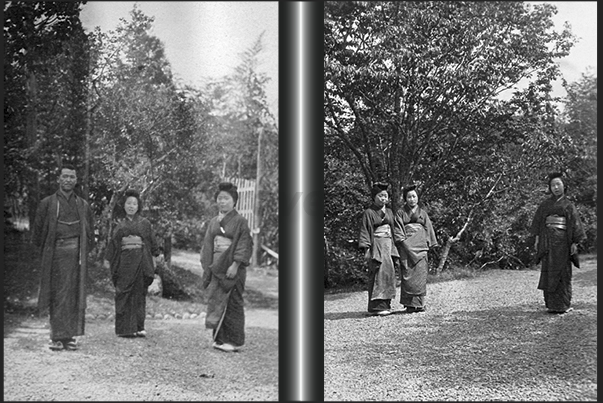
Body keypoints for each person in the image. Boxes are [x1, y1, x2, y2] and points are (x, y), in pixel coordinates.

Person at [31, 164, 96, 351]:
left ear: (76, 180)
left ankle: (70, 337)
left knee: (74, 295)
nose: (68, 180)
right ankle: (56, 336)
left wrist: (80, 250)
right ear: (59, 179)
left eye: (71, 177)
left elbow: (90, 234)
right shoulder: (48, 203)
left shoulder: (82, 205)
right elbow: (37, 235)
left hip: (77, 257)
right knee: (59, 294)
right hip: (56, 256)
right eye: (65, 176)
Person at [201, 182, 253, 352]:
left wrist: (236, 264)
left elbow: (244, 244)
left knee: (233, 303)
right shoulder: (213, 222)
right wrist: (208, 266)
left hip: (232, 267)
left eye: (226, 199)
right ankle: (220, 338)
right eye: (220, 198)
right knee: (217, 300)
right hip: (217, 266)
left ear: (234, 201)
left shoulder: (240, 221)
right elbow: (208, 245)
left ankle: (234, 341)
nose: (222, 202)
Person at [104, 190, 163, 337]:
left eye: (134, 203)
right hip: (125, 263)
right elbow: (113, 245)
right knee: (124, 293)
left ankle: (139, 327)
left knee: (139, 294)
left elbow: (152, 242)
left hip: (141, 261)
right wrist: (108, 259)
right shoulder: (120, 226)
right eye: (128, 203)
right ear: (124, 206)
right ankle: (124, 329)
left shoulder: (145, 224)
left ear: (138, 206)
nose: (131, 206)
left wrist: (157, 254)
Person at [530, 172, 585, 314]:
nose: (555, 188)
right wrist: (537, 239)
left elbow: (574, 224)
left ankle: (563, 305)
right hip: (547, 242)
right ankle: (551, 305)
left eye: (558, 184)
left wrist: (574, 243)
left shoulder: (568, 205)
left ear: (564, 186)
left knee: (562, 272)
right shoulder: (545, 205)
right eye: (553, 185)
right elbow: (538, 223)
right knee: (548, 271)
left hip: (562, 242)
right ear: (549, 187)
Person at [358, 182, 405, 316]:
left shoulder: (389, 212)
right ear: (374, 197)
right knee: (377, 273)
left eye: (385, 196)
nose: (383, 198)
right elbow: (365, 231)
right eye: (380, 196)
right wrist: (366, 249)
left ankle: (386, 304)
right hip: (376, 245)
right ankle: (375, 307)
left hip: (388, 245)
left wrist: (398, 244)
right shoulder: (368, 213)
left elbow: (394, 228)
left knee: (388, 274)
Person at [396, 185, 438, 313]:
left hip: (420, 246)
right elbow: (398, 231)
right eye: (409, 197)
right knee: (408, 273)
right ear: (405, 199)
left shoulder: (423, 214)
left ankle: (420, 304)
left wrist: (428, 242)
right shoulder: (400, 213)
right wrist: (404, 243)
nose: (412, 199)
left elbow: (428, 229)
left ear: (417, 198)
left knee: (420, 274)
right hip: (406, 246)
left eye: (414, 196)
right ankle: (409, 305)